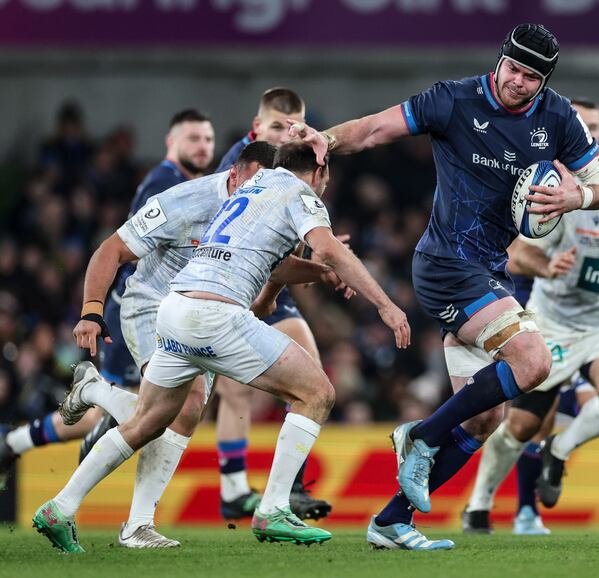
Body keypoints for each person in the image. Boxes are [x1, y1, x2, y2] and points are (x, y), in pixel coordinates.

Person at [294, 23, 599, 550]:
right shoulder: (452, 100)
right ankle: (419, 436)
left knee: (486, 416)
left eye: (530, 77)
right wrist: (326, 140)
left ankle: (393, 522)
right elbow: (376, 129)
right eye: (512, 68)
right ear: (500, 60)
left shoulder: (558, 116)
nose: (517, 82)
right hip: (446, 266)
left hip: (491, 273)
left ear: (544, 81)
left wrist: (574, 197)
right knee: (533, 363)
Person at [32, 141, 410, 553]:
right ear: (319, 172)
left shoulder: (250, 190)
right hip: (204, 313)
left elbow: (271, 262)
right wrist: (387, 306)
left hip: (176, 310)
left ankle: (60, 506)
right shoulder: (298, 192)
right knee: (317, 393)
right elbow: (330, 247)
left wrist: (318, 274)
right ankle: (274, 507)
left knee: (150, 419)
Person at [462, 126, 599, 533]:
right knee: (521, 427)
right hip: (552, 326)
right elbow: (515, 252)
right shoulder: (574, 201)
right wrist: (546, 266)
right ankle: (478, 505)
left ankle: (559, 450)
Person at [0, 109, 214, 485]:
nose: (202, 147)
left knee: (140, 409)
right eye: (193, 138)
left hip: (150, 311)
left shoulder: (184, 185)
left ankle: (14, 442)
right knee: (159, 407)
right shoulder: (164, 185)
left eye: (207, 139)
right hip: (139, 312)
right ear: (171, 141)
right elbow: (128, 251)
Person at [476, 97, 599, 536]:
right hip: (528, 307)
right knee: (531, 417)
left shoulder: (593, 192)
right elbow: (513, 249)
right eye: (584, 125)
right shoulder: (538, 179)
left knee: (566, 410)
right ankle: (513, 507)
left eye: (597, 128)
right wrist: (547, 267)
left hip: (582, 322)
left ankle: (509, 504)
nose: (591, 135)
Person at [215, 88, 332, 521]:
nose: (288, 134)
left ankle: (292, 487)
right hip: (226, 281)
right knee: (223, 391)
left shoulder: (300, 161)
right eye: (278, 127)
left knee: (312, 368)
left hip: (269, 279)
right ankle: (232, 487)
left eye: (295, 126)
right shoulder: (242, 163)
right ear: (257, 127)